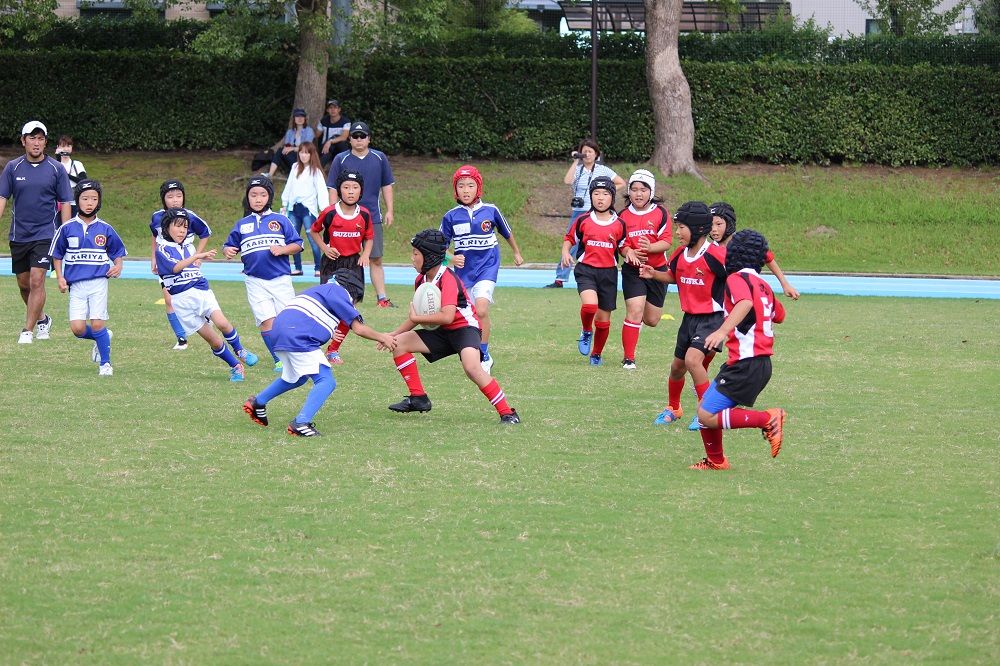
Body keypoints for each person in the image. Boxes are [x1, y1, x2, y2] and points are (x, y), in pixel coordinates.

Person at [382, 229, 521, 424]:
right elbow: (421, 316)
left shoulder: (447, 278)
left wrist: (416, 317)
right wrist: (392, 334)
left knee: (472, 368)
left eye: (416, 253)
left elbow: (447, 317)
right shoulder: (421, 279)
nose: (412, 258)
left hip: (465, 328)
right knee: (398, 343)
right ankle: (418, 398)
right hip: (442, 330)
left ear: (429, 257)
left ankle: (508, 413)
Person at [243, 269, 397, 437]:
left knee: (298, 377)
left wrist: (327, 331)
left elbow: (308, 314)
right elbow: (359, 328)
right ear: (354, 292)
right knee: (326, 381)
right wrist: (383, 337)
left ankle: (258, 402)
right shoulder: (340, 292)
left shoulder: (320, 289)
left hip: (279, 331)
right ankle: (301, 423)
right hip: (297, 336)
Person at [688, 229, 787, 470]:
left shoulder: (736, 279)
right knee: (704, 409)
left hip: (747, 363)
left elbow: (745, 302)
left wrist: (722, 331)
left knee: (706, 415)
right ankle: (716, 461)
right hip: (756, 363)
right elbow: (780, 315)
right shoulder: (763, 285)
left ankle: (767, 418)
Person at [639, 202, 728, 425]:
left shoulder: (716, 255)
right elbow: (673, 276)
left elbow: (736, 279)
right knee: (677, 368)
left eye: (681, 227)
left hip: (712, 319)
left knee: (693, 360)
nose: (677, 232)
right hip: (689, 319)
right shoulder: (680, 253)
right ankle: (674, 408)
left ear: (698, 229)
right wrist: (654, 274)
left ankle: (707, 413)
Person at [156, 208, 259, 382]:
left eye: (185, 227)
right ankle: (235, 366)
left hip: (201, 292)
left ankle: (240, 350)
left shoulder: (189, 247)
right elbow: (175, 268)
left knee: (223, 323)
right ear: (166, 227)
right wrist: (197, 256)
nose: (182, 231)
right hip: (181, 302)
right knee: (214, 341)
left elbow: (195, 254)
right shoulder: (162, 249)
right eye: (178, 226)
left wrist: (198, 256)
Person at [440, 165, 524, 374]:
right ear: (455, 189)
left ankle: (484, 354)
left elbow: (507, 232)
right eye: (461, 186)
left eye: (470, 185)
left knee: (481, 309)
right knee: (469, 315)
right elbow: (440, 247)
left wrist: (516, 252)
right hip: (464, 273)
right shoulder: (451, 216)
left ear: (478, 187)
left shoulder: (491, 210)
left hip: (488, 267)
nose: (466, 190)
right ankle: (472, 350)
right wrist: (452, 258)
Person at [0, 120, 73, 344]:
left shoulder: (56, 169)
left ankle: (27, 331)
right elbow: (2, 198)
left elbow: (66, 202)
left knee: (36, 280)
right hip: (19, 235)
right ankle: (42, 319)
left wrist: (66, 232)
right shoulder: (12, 168)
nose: (36, 142)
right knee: (24, 285)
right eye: (32, 138)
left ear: (45, 142)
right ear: (23, 141)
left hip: (45, 234)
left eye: (41, 138)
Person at [223, 175, 304, 372]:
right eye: (253, 195)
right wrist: (228, 251)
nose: (258, 199)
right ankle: (279, 360)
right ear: (247, 198)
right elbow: (229, 245)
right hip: (254, 281)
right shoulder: (242, 224)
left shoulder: (281, 220)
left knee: (287, 321)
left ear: (269, 197)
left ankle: (296, 354)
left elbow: (297, 244)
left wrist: (283, 250)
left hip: (280, 279)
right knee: (266, 321)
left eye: (262, 195)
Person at [48, 180, 127, 376]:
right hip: (76, 285)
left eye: (94, 199)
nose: (89, 202)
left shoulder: (105, 228)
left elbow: (117, 251)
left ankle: (105, 364)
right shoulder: (67, 228)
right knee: (78, 329)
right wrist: (60, 277)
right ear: (78, 201)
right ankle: (102, 338)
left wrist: (118, 266)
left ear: (99, 201)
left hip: (99, 282)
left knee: (98, 323)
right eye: (85, 198)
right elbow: (57, 255)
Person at [325, 121, 396, 308]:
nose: (358, 139)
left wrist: (390, 210)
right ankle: (339, 296)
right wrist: (333, 213)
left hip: (372, 216)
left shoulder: (379, 158)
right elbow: (333, 188)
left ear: (369, 139)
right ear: (349, 139)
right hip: (345, 218)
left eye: (362, 136)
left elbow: (387, 186)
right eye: (355, 136)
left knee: (375, 258)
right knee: (343, 257)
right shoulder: (340, 159)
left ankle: (382, 298)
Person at [560, 176, 626, 367]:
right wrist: (565, 252)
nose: (600, 197)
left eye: (605, 194)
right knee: (590, 306)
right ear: (591, 196)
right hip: (586, 270)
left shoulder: (619, 223)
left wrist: (630, 253)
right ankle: (586, 330)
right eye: (596, 193)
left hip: (608, 274)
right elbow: (569, 238)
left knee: (603, 321)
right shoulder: (583, 220)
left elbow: (623, 246)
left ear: (612, 197)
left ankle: (596, 354)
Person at [309, 170, 373, 365]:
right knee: (327, 307)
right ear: (339, 190)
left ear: (361, 190)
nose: (350, 191)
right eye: (346, 187)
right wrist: (325, 248)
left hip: (353, 265)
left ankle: (333, 350)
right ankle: (313, 346)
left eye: (355, 187)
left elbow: (369, 237)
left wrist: (365, 254)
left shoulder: (364, 214)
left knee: (349, 308)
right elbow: (314, 231)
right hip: (332, 264)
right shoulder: (329, 212)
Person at [544, 139, 625, 289]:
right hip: (579, 212)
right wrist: (576, 160)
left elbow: (621, 182)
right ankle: (560, 278)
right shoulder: (578, 169)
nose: (587, 154)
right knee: (571, 242)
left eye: (590, 151)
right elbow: (567, 181)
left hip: (596, 211)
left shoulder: (603, 170)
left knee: (597, 241)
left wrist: (606, 193)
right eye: (584, 151)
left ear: (596, 154)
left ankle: (598, 275)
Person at [617, 169, 673, 370]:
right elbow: (621, 243)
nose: (638, 194)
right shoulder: (622, 215)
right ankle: (628, 358)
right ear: (629, 192)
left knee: (651, 319)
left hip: (657, 270)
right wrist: (628, 252)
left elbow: (666, 241)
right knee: (634, 310)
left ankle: (637, 322)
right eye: (634, 189)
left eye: (643, 189)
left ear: (652, 191)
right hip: (633, 271)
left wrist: (650, 247)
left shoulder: (661, 213)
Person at [150, 179, 213, 350]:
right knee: (169, 299)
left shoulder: (190, 216)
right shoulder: (157, 217)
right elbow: (154, 235)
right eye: (170, 197)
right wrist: (153, 257)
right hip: (166, 262)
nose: (175, 200)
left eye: (179, 196)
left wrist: (198, 256)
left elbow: (205, 233)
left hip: (187, 264)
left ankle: (206, 315)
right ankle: (181, 338)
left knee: (193, 295)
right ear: (163, 199)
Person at [710, 202, 800, 300]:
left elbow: (769, 259)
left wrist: (785, 285)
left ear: (729, 223)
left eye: (718, 224)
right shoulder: (707, 249)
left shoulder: (746, 244)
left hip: (745, 297)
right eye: (710, 224)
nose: (714, 229)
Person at [279, 142, 329, 277]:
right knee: (293, 239)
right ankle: (298, 267)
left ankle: (318, 267)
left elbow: (322, 191)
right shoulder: (295, 167)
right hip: (293, 208)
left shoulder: (316, 171)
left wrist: (324, 210)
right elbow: (289, 186)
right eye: (301, 152)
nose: (303, 155)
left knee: (313, 239)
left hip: (308, 209)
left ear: (312, 154)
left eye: (307, 153)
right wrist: (284, 204)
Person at [267, 108, 316, 178]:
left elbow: (306, 147)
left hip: (304, 155)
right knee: (280, 151)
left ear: (305, 119)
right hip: (292, 156)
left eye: (302, 116)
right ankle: (270, 175)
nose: (300, 118)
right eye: (297, 116)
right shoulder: (290, 132)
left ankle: (297, 173)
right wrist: (287, 148)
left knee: (285, 152)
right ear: (294, 119)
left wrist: (292, 148)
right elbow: (287, 146)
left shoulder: (309, 131)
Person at [55, 135, 86, 217]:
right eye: (63, 146)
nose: (66, 149)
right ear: (58, 147)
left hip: (75, 202)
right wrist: (58, 158)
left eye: (68, 146)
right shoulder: (54, 165)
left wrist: (67, 175)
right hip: (58, 203)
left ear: (71, 148)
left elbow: (83, 181)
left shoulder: (77, 164)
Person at [316, 99, 351, 168]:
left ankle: (345, 167)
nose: (333, 110)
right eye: (330, 108)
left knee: (342, 142)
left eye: (335, 107)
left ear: (339, 109)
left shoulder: (345, 121)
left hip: (339, 148)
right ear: (327, 110)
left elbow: (344, 137)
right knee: (328, 149)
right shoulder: (324, 121)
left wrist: (330, 141)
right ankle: (318, 169)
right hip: (326, 148)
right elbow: (316, 135)